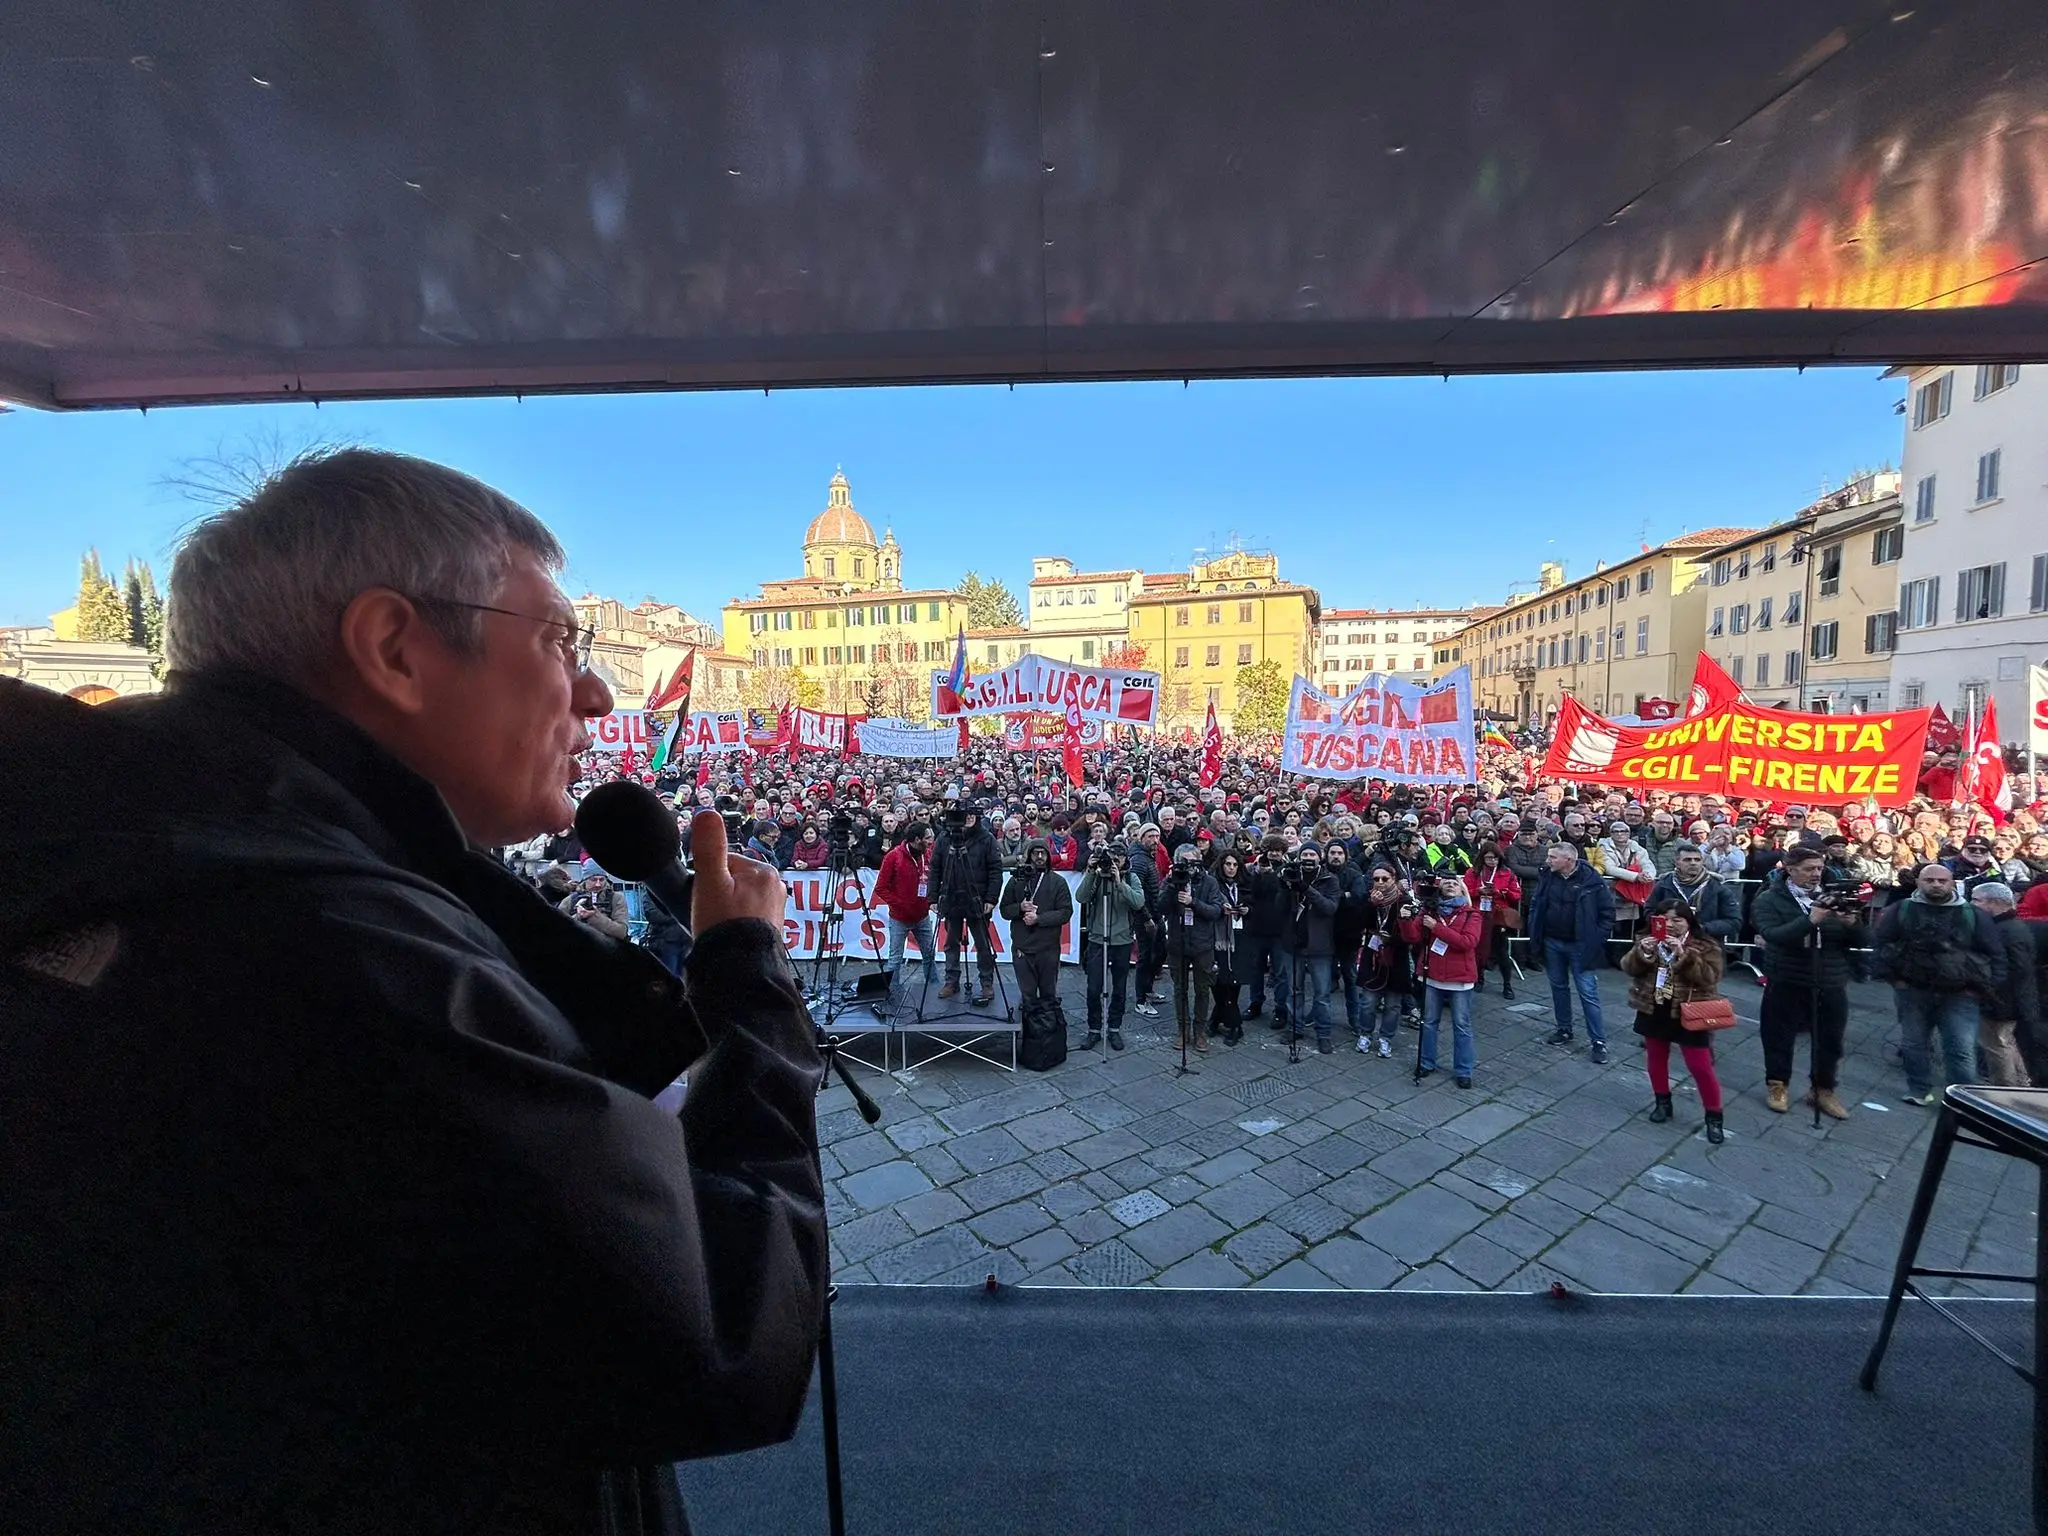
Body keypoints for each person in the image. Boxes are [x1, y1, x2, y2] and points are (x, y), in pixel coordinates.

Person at [0, 448, 826, 1533]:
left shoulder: (142, 861)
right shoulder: (344, 962)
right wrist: (752, 995)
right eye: (558, 641)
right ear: (394, 648)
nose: (596, 691)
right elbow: (716, 1325)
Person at [1873, 861, 2006, 1105]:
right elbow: (1882, 943)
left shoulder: (1972, 914)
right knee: (1914, 1044)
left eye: (1941, 880)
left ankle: (1964, 1101)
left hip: (1960, 994)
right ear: (1918, 882)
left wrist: (1982, 989)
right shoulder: (1901, 910)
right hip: (1912, 990)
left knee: (1960, 1049)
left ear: (1951, 882)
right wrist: (1894, 980)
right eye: (1929, 880)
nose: (1936, 884)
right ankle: (1919, 1090)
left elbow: (1995, 953)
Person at [1751, 845, 1860, 1118]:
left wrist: (1852, 924)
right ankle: (1778, 1084)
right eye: (1809, 869)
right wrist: (1809, 920)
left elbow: (1862, 941)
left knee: (1831, 1040)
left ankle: (1823, 1089)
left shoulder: (1834, 896)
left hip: (1830, 978)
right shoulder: (1770, 899)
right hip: (1788, 976)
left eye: (1820, 869)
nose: (1816, 874)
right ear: (1790, 870)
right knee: (1779, 1035)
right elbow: (1774, 935)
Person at [1618, 900, 1729, 1142]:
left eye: (1677, 920)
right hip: (1654, 1007)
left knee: (1700, 1065)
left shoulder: (1705, 945)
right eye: (1663, 919)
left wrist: (1684, 955)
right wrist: (1643, 953)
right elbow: (1628, 967)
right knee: (1656, 1058)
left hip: (1690, 1011)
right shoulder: (1648, 938)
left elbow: (1710, 978)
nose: (1669, 925)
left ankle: (1714, 1116)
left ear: (1688, 922)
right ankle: (1662, 1102)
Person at [1527, 841, 1617, 1063]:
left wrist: (1597, 937)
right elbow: (1537, 903)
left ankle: (1598, 1041)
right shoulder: (1548, 876)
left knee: (1588, 992)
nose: (1548, 861)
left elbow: (1607, 913)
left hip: (1581, 945)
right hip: (1552, 942)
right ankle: (1564, 1029)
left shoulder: (1592, 881)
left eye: (1553, 857)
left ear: (1568, 860)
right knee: (1558, 987)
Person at [1076, 842, 1147, 1050]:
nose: (1113, 864)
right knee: (1093, 988)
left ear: (1125, 859)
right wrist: (1091, 871)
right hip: (1097, 939)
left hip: (1121, 940)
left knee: (1119, 988)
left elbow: (1139, 902)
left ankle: (1114, 1028)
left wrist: (1119, 882)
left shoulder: (1130, 877)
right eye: (1110, 859)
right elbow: (1081, 897)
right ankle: (1094, 1029)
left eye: (1118, 860)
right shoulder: (1097, 877)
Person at [1415, 872, 1483, 1088]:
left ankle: (1464, 1069)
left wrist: (1436, 928)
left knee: (1461, 1025)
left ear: (1462, 889)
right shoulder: (1429, 911)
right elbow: (1413, 937)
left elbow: (1467, 942)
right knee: (1429, 1022)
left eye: (1455, 883)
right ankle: (1426, 1062)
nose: (1451, 886)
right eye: (1447, 883)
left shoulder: (1472, 915)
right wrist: (1407, 918)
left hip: (1459, 978)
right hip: (1433, 974)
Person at [933, 799, 1002, 1006]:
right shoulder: (944, 839)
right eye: (966, 814)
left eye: (973, 814)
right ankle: (951, 980)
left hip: (978, 898)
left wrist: (991, 898)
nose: (969, 817)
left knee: (982, 944)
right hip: (952, 896)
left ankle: (986, 982)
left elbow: (995, 870)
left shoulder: (986, 839)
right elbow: (935, 869)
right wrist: (932, 897)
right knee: (951, 942)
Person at [1969, 882, 2038, 1087]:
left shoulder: (2005, 931)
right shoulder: (2010, 926)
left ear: (1994, 902)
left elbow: (2017, 970)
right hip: (2008, 998)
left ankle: (2004, 1089)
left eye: (1977, 900)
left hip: (2001, 999)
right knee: (2005, 1042)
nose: (1972, 904)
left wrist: (1990, 993)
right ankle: (2021, 1085)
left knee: (1996, 1045)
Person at [1277, 843, 1342, 1053]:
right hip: (1293, 941)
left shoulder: (1330, 879)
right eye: (1304, 854)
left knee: (1321, 993)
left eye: (1312, 854)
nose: (1308, 858)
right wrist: (1285, 886)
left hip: (1319, 945)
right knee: (1293, 990)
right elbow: (1279, 908)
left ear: (1320, 857)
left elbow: (1329, 908)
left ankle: (1323, 1033)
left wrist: (1306, 888)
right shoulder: (1291, 874)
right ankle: (1295, 1027)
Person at [998, 837, 1073, 1018]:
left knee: (1048, 996)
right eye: (1035, 853)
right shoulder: (1016, 880)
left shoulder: (1058, 882)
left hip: (1048, 947)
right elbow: (1004, 910)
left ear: (1048, 856)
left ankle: (1048, 1037)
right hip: (1023, 946)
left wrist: (1039, 918)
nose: (1039, 857)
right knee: (1028, 997)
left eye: (1043, 853)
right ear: (1029, 855)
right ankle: (1029, 1038)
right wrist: (1020, 908)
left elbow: (1065, 912)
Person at [1162, 842, 1226, 1052]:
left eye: (1193, 861)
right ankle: (1183, 1030)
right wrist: (1172, 886)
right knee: (1180, 989)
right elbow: (1160, 906)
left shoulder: (1209, 882)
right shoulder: (1171, 880)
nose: (1189, 866)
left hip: (1202, 944)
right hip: (1178, 942)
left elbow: (1216, 911)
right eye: (1184, 862)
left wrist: (1193, 902)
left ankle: (1200, 1031)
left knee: (1202, 989)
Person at [1356, 865, 1420, 1056]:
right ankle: (1365, 1034)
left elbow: (1412, 935)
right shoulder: (1369, 899)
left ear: (1393, 878)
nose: (1381, 883)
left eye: (1385, 879)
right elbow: (1359, 923)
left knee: (1393, 1004)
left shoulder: (1405, 901)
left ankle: (1385, 1038)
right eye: (1377, 879)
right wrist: (1371, 905)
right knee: (1368, 1001)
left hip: (1396, 956)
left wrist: (1391, 938)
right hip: (1373, 955)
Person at [873, 821, 938, 984]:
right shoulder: (893, 857)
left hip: (922, 916)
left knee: (929, 955)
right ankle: (892, 992)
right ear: (917, 839)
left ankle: (933, 988)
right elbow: (880, 888)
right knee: (895, 959)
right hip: (899, 918)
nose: (931, 841)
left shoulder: (928, 854)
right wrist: (900, 904)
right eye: (927, 838)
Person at [1647, 842, 1742, 948]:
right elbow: (1649, 911)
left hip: (1706, 946)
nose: (1693, 863)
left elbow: (1734, 922)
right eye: (1687, 860)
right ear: (1677, 862)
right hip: (1668, 944)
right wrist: (1669, 925)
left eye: (1697, 860)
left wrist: (1701, 928)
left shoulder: (1718, 888)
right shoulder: (1664, 885)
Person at [1465, 844, 1522, 999]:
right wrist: (1479, 891)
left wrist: (1501, 892)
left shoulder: (1507, 873)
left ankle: (1507, 984)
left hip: (1498, 915)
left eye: (1495, 857)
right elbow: (1465, 893)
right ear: (1482, 858)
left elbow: (1516, 895)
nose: (1492, 861)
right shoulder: (1473, 872)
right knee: (1479, 949)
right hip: (1478, 914)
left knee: (1502, 950)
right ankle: (1479, 978)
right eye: (1489, 857)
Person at [1211, 849, 1249, 1044]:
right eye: (1228, 864)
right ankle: (1231, 1022)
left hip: (1240, 939)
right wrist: (1220, 909)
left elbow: (1256, 902)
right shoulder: (1213, 883)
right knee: (1219, 982)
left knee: (1233, 983)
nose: (1232, 868)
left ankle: (1224, 1021)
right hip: (1218, 937)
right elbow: (1208, 904)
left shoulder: (1245, 884)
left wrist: (1247, 909)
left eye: (1235, 865)